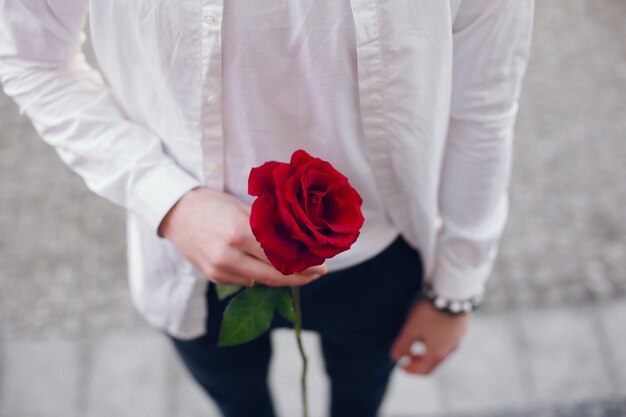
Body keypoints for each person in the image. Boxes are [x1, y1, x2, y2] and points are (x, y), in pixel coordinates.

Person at [0, 1, 535, 416]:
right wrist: (167, 199)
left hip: (380, 260)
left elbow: (482, 108)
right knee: (239, 405)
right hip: (194, 266)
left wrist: (455, 294)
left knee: (361, 402)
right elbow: (30, 56)